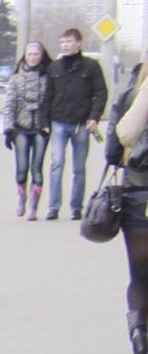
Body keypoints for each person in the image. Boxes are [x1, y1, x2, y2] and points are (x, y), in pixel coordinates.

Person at [104, 61, 148, 354]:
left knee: (141, 275)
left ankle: (140, 339)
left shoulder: (137, 89)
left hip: (138, 190)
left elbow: (123, 135)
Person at [45, 27, 109, 222]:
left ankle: (76, 208)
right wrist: (44, 121)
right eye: (62, 42)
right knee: (56, 164)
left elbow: (101, 93)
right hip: (58, 122)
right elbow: (47, 96)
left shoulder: (91, 67)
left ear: (79, 43)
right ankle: (53, 207)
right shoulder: (54, 68)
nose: (65, 45)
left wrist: (94, 117)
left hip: (82, 123)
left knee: (79, 167)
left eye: (69, 41)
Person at [2, 41, 53, 221]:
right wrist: (8, 130)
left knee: (37, 168)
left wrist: (48, 124)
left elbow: (51, 103)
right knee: (22, 168)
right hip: (21, 128)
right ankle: (22, 196)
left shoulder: (48, 78)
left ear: (41, 56)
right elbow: (9, 105)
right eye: (29, 54)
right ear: (25, 56)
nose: (33, 58)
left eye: (36, 54)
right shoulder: (16, 79)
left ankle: (33, 206)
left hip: (40, 128)